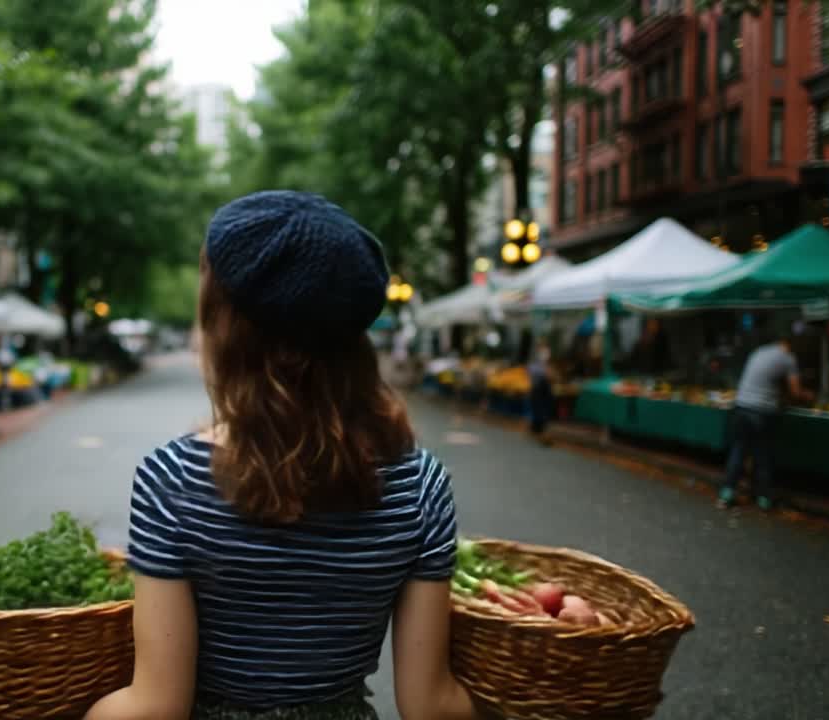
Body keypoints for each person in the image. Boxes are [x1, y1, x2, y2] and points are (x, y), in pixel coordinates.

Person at [86, 191, 475, 720]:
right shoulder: (420, 485)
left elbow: (156, 706)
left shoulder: (171, 479)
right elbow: (431, 705)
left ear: (229, 331)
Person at [718, 325, 813, 511]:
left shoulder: (760, 351)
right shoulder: (788, 359)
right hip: (761, 411)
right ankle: (763, 498)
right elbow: (796, 392)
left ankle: (726, 493)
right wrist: (808, 395)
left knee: (738, 451)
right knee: (763, 455)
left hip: (742, 406)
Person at [527, 341, 555, 444]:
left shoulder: (548, 365)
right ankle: (537, 431)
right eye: (543, 351)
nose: (545, 353)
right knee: (538, 410)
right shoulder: (534, 365)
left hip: (546, 391)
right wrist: (546, 372)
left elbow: (552, 376)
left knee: (545, 410)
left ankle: (541, 431)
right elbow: (534, 373)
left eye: (547, 351)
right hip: (537, 390)